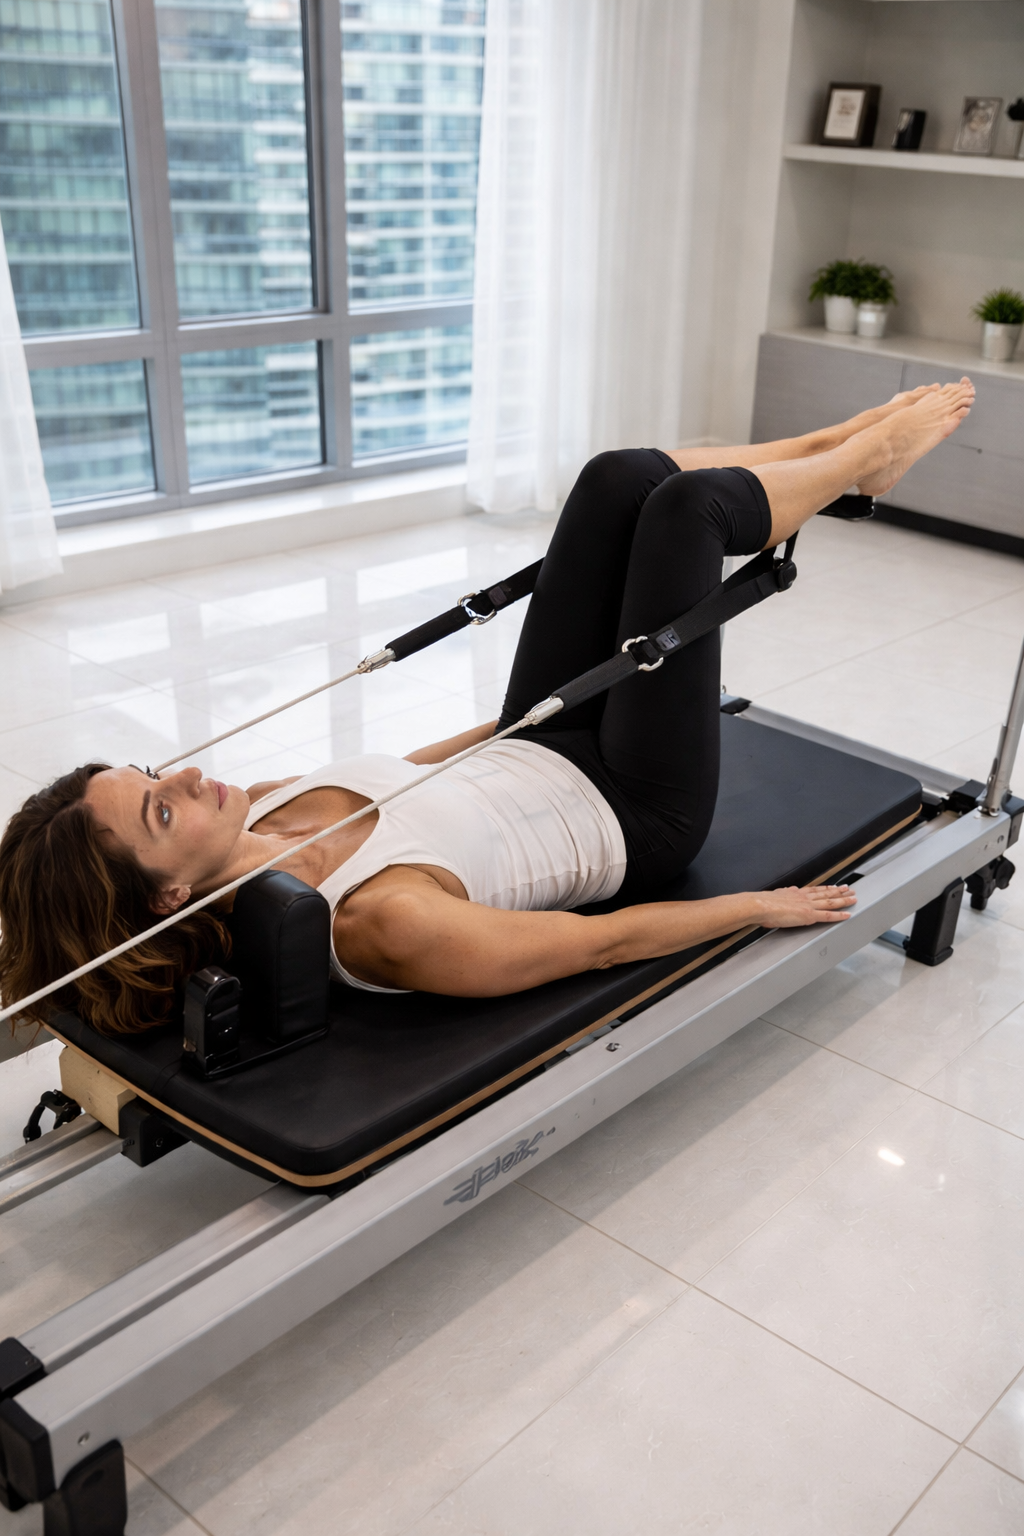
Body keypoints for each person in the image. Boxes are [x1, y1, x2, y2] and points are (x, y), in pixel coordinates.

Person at [0, 379, 974, 1034]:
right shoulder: (374, 924)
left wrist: (572, 688)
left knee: (616, 479)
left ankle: (828, 448)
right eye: (161, 809)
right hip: (637, 808)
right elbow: (601, 942)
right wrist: (759, 905)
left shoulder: (253, 800)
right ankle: (858, 465)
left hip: (545, 736)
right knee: (689, 513)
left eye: (155, 772)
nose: (189, 779)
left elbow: (432, 768)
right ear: (169, 895)